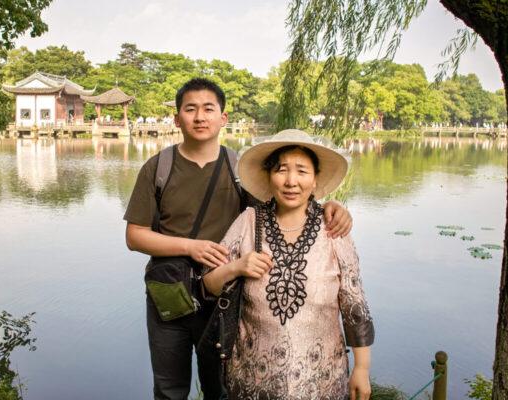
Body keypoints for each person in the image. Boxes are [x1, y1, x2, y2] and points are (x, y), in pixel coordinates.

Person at [124, 79, 354, 400]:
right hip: (170, 295)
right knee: (169, 389)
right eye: (190, 109)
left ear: (224, 117)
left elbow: (281, 208)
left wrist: (329, 205)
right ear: (177, 119)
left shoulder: (238, 170)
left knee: (220, 387)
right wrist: (192, 246)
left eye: (209, 109)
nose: (200, 117)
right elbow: (134, 237)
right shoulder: (158, 167)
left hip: (225, 299)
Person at [204, 129, 375, 400]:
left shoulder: (333, 228)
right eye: (281, 170)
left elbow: (354, 305)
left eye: (302, 171)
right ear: (269, 176)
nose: (291, 181)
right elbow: (209, 284)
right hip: (251, 380)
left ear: (315, 179)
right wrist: (236, 267)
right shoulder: (249, 221)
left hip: (322, 381)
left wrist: (362, 368)